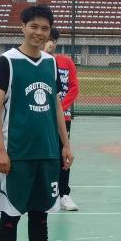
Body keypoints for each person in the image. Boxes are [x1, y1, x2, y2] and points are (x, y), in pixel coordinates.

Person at [0, 4, 75, 241]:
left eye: (44, 28)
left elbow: (55, 107)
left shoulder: (50, 63)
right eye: (34, 27)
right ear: (23, 27)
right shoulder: (7, 62)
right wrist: (0, 150)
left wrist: (65, 144)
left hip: (47, 152)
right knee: (10, 215)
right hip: (17, 153)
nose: (39, 33)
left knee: (40, 215)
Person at [45, 28, 80, 211]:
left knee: (63, 154)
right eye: (47, 40)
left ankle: (64, 194)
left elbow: (74, 88)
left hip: (62, 117)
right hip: (41, 117)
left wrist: (60, 108)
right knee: (42, 155)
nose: (50, 43)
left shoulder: (66, 62)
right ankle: (44, 194)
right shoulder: (37, 63)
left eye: (53, 40)